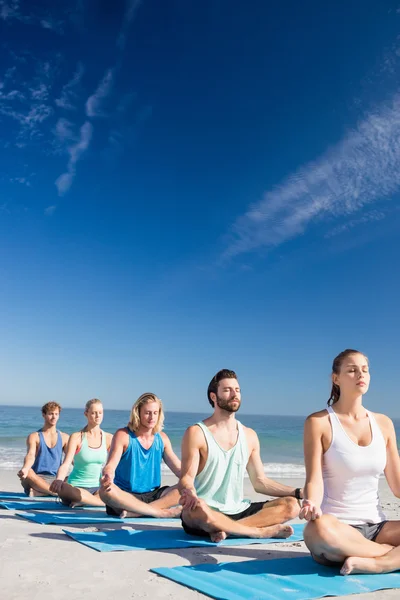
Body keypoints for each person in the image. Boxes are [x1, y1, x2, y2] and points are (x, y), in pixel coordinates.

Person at [300, 348, 400, 575]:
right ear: (336, 379)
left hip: (377, 526)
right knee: (317, 530)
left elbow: (397, 485)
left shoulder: (384, 424)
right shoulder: (318, 422)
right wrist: (311, 503)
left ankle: (378, 563)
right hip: (337, 528)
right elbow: (314, 479)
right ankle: (389, 555)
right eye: (352, 370)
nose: (360, 375)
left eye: (364, 370)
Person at [179, 369, 301, 542]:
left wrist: (298, 492)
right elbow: (186, 478)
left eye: (237, 390)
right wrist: (190, 492)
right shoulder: (197, 433)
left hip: (238, 510)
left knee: (291, 505)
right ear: (213, 397)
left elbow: (260, 483)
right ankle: (257, 531)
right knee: (198, 508)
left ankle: (227, 530)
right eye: (227, 390)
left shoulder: (249, 435)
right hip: (205, 511)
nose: (234, 394)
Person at [99, 393, 182, 518]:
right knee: (106, 492)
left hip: (153, 496)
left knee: (184, 487)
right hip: (126, 496)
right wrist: (108, 475)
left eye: (155, 413)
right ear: (137, 412)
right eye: (147, 413)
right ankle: (158, 511)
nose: (151, 417)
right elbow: (110, 465)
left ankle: (137, 512)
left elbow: (180, 470)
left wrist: (197, 478)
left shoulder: (163, 439)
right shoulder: (123, 435)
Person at [49, 399, 113, 507]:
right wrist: (59, 480)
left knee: (115, 491)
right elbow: (66, 463)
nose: (97, 416)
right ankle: (98, 502)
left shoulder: (109, 438)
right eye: (93, 413)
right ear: (86, 414)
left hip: (98, 488)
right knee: (62, 487)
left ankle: (86, 501)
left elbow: (114, 465)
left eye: (100, 413)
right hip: (76, 487)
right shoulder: (77, 437)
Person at [18, 402, 69, 496]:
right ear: (43, 415)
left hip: (56, 479)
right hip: (36, 478)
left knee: (74, 477)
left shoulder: (65, 437)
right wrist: (25, 468)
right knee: (28, 472)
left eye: (56, 414)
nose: (54, 417)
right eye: (50, 414)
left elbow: (72, 459)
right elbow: (30, 455)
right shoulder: (34, 436)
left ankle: (40, 492)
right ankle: (55, 493)